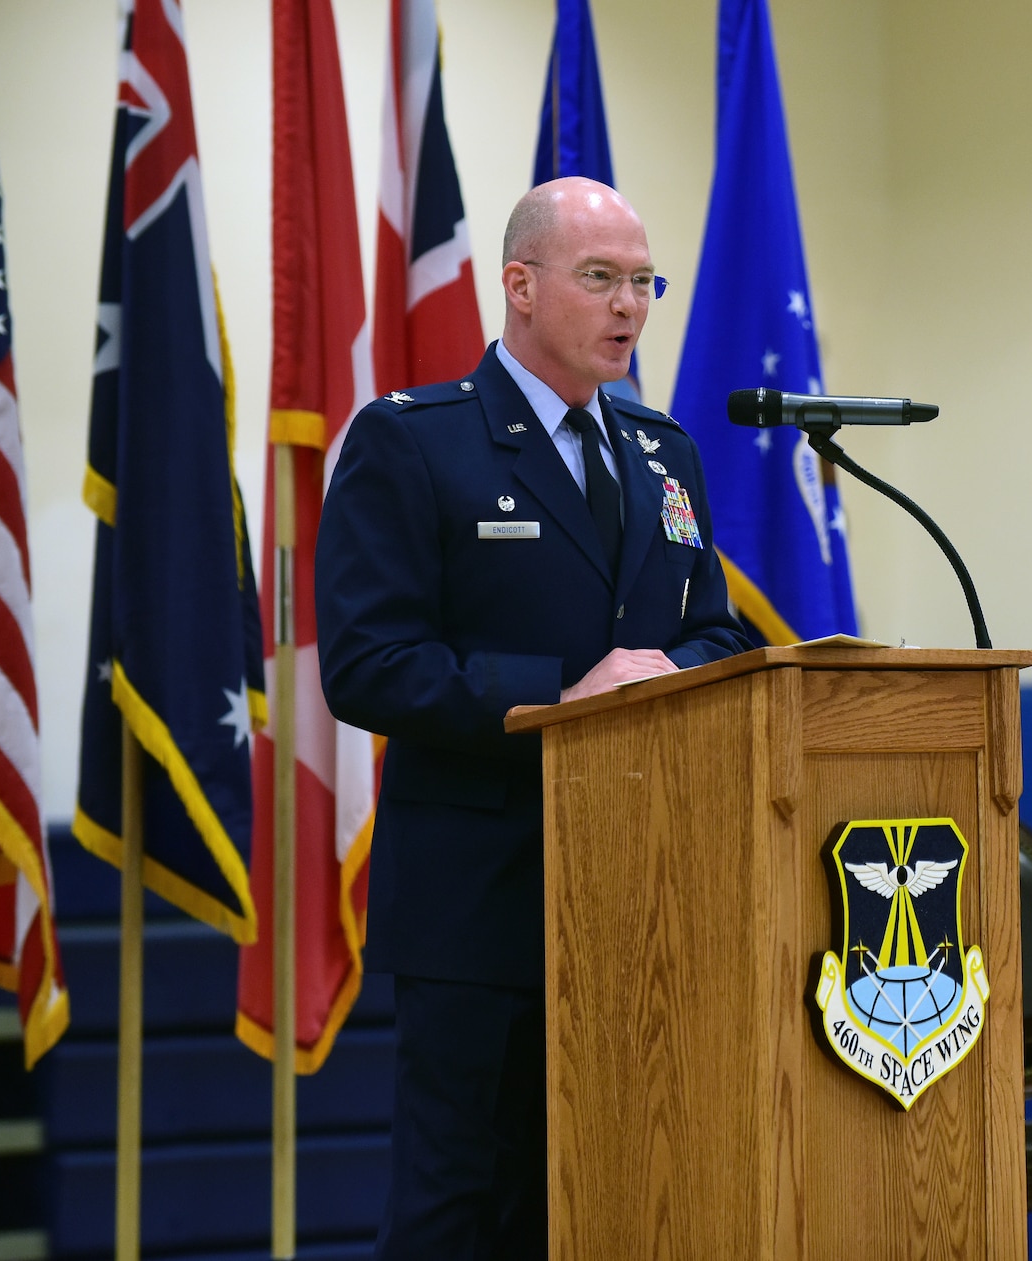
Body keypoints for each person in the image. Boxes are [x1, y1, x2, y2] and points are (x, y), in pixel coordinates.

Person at [315, 178, 752, 1258]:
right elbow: (371, 665)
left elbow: (724, 637)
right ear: (518, 286)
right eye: (599, 278)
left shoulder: (662, 453)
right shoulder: (415, 443)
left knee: (615, 1200)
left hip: (643, 902)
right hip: (482, 904)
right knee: (464, 1210)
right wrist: (557, 695)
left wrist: (667, 665)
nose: (629, 307)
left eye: (643, 281)